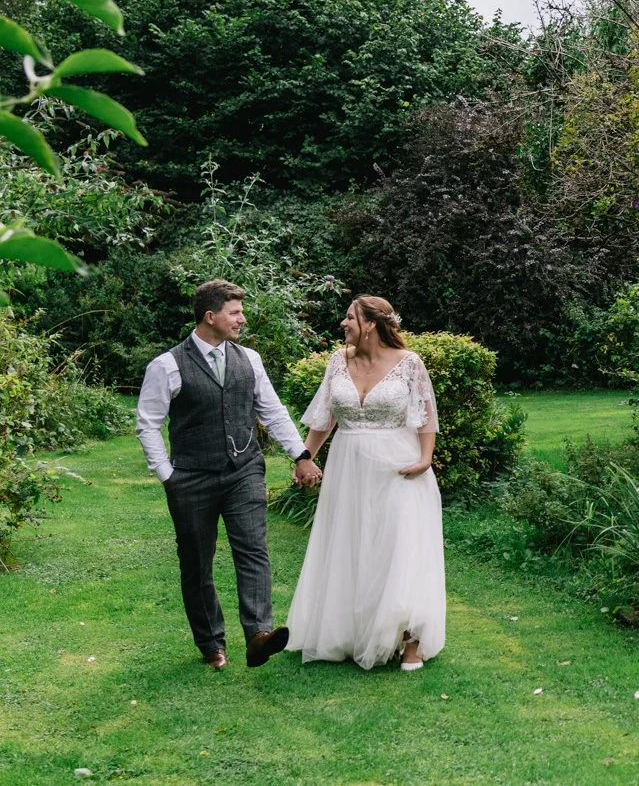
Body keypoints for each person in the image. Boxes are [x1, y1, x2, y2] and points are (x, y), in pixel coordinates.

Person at [136, 279, 323, 671]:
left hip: (243, 471)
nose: (242, 319)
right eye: (235, 312)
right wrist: (168, 474)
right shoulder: (167, 365)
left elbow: (272, 411)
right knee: (196, 563)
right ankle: (211, 644)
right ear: (210, 316)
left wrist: (301, 455)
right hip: (190, 478)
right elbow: (148, 424)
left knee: (253, 549)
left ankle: (258, 635)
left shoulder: (249, 360)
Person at [287, 295, 446, 671]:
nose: (343, 324)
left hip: (398, 468)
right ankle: (355, 632)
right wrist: (304, 458)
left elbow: (426, 417)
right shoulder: (337, 361)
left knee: (400, 548)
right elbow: (323, 420)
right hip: (348, 468)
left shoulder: (409, 363)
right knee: (352, 546)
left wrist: (425, 459)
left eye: (350, 318)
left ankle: (411, 640)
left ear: (371, 324)